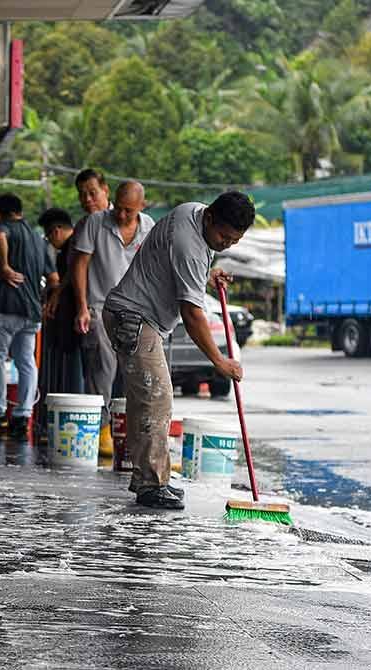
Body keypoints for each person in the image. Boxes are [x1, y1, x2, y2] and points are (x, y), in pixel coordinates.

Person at [103, 191, 253, 509]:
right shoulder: (192, 247)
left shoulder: (192, 212)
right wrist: (219, 361)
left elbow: (176, 267)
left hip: (134, 316)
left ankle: (151, 478)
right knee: (156, 398)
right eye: (225, 236)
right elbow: (193, 314)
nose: (228, 244)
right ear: (210, 217)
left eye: (235, 240)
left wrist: (205, 277)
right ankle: (151, 485)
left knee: (148, 399)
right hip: (134, 318)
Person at [0, 194, 60, 439]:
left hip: (5, 307)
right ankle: (22, 415)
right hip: (31, 312)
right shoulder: (38, 239)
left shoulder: (4, 226)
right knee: (26, 361)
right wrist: (46, 301)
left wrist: (5, 266)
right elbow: (54, 279)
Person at [72, 181, 155, 455]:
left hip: (137, 311)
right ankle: (102, 429)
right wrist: (82, 307)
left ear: (142, 207)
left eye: (128, 211)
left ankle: (133, 432)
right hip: (99, 307)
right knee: (102, 369)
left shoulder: (150, 227)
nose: (121, 215)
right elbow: (80, 265)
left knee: (137, 374)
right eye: (118, 208)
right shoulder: (96, 223)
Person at [37, 208, 83, 442]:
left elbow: (73, 275)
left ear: (56, 230)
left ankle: (70, 422)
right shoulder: (74, 245)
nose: (50, 241)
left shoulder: (72, 249)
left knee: (74, 374)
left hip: (73, 321)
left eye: (48, 235)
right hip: (70, 321)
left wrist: (55, 295)